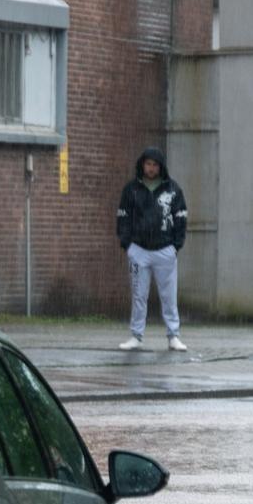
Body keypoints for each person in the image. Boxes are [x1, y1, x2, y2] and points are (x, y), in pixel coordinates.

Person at [115, 146, 189, 352]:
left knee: (169, 295)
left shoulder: (173, 190)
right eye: (148, 164)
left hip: (165, 249)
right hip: (138, 250)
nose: (151, 168)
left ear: (161, 166)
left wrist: (176, 246)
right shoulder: (131, 190)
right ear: (142, 165)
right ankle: (136, 335)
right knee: (139, 294)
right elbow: (123, 217)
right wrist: (127, 244)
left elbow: (181, 218)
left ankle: (173, 335)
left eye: (155, 164)